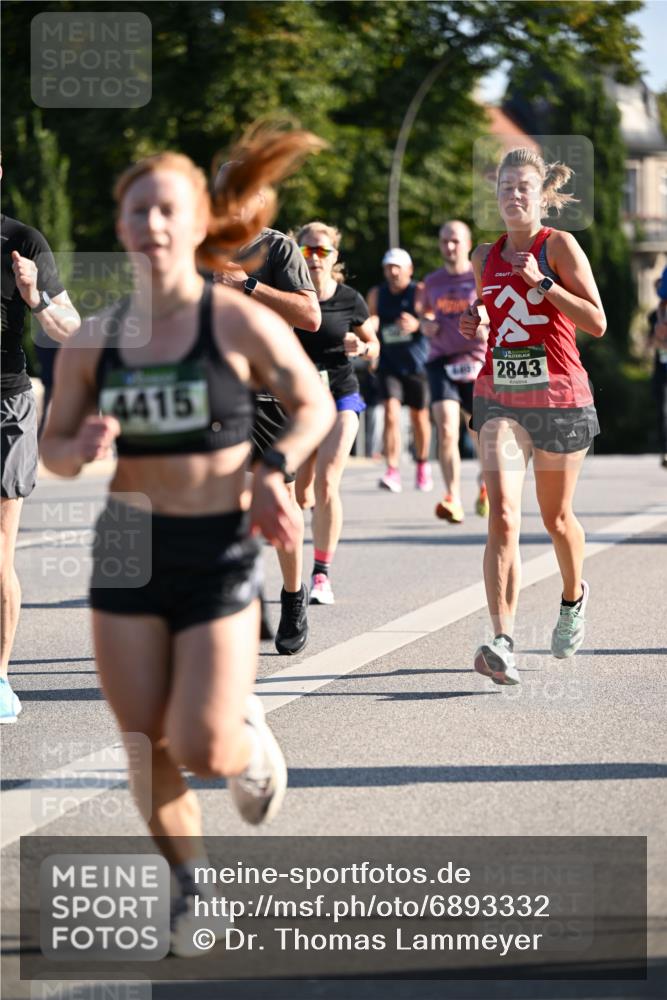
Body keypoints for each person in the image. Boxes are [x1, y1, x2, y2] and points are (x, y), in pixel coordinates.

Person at [40, 132, 334, 954]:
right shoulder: (98, 339)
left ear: (199, 222)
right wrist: (79, 446)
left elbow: (311, 403)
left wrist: (271, 470)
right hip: (129, 546)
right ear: (123, 227)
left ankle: (245, 740)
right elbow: (53, 451)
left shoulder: (234, 320)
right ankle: (192, 887)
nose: (154, 224)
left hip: (216, 547)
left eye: (169, 209)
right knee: (145, 739)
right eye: (139, 211)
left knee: (201, 746)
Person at [460, 146, 605, 685]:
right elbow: (491, 312)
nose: (513, 195)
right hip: (500, 394)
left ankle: (573, 596)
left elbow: (596, 322)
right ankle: (502, 640)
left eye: (523, 187)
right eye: (505, 187)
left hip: (561, 397)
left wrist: (542, 282)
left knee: (556, 519)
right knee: (501, 514)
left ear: (542, 196)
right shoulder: (484, 255)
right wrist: (475, 322)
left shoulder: (558, 246)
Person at [213, 158, 321, 654]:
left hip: (268, 392)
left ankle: (294, 595)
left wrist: (248, 285)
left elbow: (310, 315)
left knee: (278, 500)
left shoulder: (277, 247)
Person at [1, 163, 81, 724]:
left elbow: (71, 329)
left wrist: (35, 297)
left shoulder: (22, 241)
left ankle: (1, 677)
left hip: (5, 404)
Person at [293, 221, 379, 605]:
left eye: (322, 250)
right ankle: (309, 532)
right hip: (300, 403)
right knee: (301, 492)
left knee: (327, 482)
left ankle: (321, 574)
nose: (314, 257)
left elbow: (373, 345)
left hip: (342, 396)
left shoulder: (350, 299)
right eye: (307, 250)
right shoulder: (288, 297)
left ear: (334, 256)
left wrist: (362, 348)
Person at [418, 220, 489, 524]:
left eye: (455, 241)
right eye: (444, 241)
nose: (449, 246)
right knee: (447, 428)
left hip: (477, 360)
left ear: (468, 244)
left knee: (481, 431)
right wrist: (425, 324)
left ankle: (485, 483)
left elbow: (494, 307)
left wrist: (487, 324)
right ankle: (453, 497)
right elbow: (423, 312)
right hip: (441, 360)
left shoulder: (479, 276)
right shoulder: (432, 281)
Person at [367, 248, 433, 493]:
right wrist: (368, 332)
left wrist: (417, 324)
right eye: (388, 267)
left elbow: (431, 321)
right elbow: (372, 319)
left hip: (417, 364)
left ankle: (422, 464)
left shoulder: (419, 291)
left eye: (397, 267)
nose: (393, 272)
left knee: (419, 417)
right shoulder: (377, 293)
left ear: (409, 270)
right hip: (389, 364)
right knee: (391, 413)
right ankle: (392, 470)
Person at [648, 268, 667, 468]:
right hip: (661, 366)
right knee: (662, 410)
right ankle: (664, 450)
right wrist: (659, 334)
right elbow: (651, 342)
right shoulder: (654, 315)